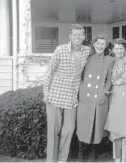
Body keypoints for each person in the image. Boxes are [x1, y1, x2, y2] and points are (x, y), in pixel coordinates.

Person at [43, 24, 90, 162]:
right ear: (70, 36)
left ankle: (61, 160)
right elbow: (49, 72)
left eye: (80, 35)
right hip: (55, 95)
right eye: (75, 35)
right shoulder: (61, 50)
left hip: (71, 97)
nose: (77, 37)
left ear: (84, 36)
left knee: (68, 130)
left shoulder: (87, 51)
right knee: (53, 131)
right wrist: (46, 93)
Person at [76, 35, 115, 161]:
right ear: (94, 44)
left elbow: (110, 79)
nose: (100, 46)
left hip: (99, 96)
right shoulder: (87, 58)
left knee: (96, 126)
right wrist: (80, 92)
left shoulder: (110, 60)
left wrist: (105, 91)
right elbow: (79, 76)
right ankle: (81, 152)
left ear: (106, 46)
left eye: (103, 44)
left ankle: (94, 152)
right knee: (83, 125)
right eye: (98, 43)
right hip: (85, 96)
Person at [105, 38, 126, 162]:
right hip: (115, 97)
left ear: (125, 49)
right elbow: (110, 78)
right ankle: (117, 157)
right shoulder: (111, 62)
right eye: (116, 48)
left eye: (121, 48)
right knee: (115, 128)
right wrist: (119, 80)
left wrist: (120, 80)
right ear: (112, 50)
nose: (119, 51)